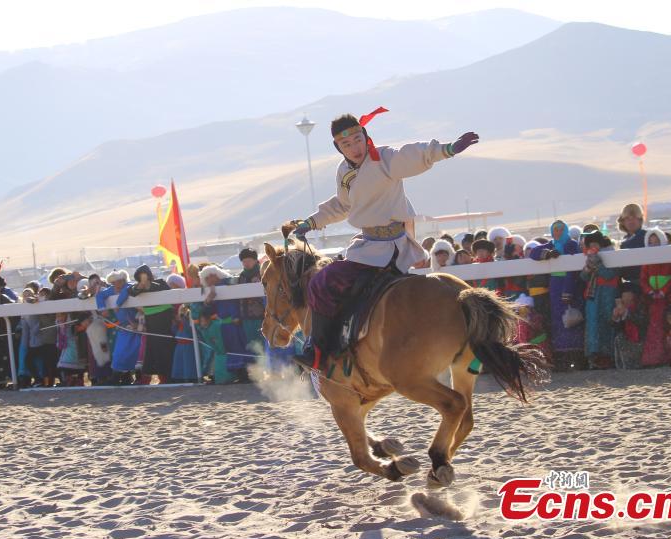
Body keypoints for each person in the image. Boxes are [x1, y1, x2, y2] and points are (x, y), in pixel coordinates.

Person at [286, 109, 479, 369]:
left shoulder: (385, 159)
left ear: (365, 136)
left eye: (357, 140)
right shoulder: (344, 172)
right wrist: (310, 223)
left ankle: (317, 351)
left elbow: (415, 155)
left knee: (321, 283)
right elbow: (343, 206)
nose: (354, 147)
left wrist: (449, 148)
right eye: (346, 144)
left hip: (391, 246)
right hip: (368, 246)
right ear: (338, 147)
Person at [529, 220, 585, 369]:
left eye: (561, 229)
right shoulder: (551, 245)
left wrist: (568, 289)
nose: (558, 232)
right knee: (558, 320)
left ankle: (577, 357)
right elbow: (533, 253)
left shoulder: (571, 244)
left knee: (572, 319)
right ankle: (561, 357)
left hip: (569, 284)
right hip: (555, 286)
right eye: (555, 229)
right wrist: (546, 254)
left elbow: (573, 269)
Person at [200, 264, 251, 382]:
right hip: (225, 326)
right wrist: (208, 300)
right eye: (206, 278)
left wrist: (236, 315)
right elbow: (208, 311)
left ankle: (245, 375)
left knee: (240, 348)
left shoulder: (228, 283)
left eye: (210, 276)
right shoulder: (212, 290)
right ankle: (239, 375)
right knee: (231, 349)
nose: (209, 280)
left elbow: (234, 302)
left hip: (235, 323)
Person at [640, 228, 671, 367]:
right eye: (651, 243)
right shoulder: (646, 261)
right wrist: (650, 291)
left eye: (656, 242)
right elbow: (643, 279)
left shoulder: (669, 258)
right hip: (653, 300)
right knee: (654, 328)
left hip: (669, 298)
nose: (654, 245)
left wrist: (664, 290)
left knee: (669, 326)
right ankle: (654, 358)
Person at [127, 265, 176, 384]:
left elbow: (161, 289)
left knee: (166, 348)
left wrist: (147, 284)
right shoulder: (138, 288)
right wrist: (141, 284)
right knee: (153, 351)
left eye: (145, 276)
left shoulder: (160, 283)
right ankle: (161, 378)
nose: (143, 279)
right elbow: (131, 292)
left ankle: (169, 378)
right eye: (140, 277)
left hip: (164, 319)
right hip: (151, 321)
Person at [580, 231, 617, 369]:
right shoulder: (589, 258)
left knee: (607, 321)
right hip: (593, 294)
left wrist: (598, 265)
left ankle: (608, 356)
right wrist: (589, 267)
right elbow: (583, 277)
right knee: (593, 324)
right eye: (591, 244)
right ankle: (594, 356)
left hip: (607, 292)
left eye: (596, 244)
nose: (593, 247)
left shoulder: (610, 255)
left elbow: (610, 274)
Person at [97, 270, 140, 385]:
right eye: (114, 282)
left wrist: (118, 304)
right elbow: (100, 295)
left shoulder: (129, 287)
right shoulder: (111, 289)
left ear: (124, 280)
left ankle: (134, 378)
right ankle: (117, 377)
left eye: (119, 281)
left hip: (136, 326)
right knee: (119, 353)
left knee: (135, 352)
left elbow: (126, 291)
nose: (117, 284)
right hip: (123, 327)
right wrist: (102, 309)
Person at [612, 282, 648, 369]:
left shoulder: (641, 306)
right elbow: (617, 328)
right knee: (619, 338)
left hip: (641, 339)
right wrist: (616, 318)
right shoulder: (623, 307)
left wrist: (627, 313)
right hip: (627, 339)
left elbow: (642, 322)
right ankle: (622, 365)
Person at [237, 248, 265, 358]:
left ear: (255, 260)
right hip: (246, 317)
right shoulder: (242, 276)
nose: (246, 263)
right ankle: (255, 370)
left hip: (261, 316)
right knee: (252, 346)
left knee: (263, 344)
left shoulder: (262, 272)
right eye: (244, 261)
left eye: (248, 260)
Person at [617, 203, 647, 284]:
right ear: (623, 221)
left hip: (646, 281)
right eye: (627, 218)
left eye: (634, 217)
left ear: (640, 219)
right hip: (629, 282)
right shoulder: (624, 242)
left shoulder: (647, 237)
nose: (631, 221)